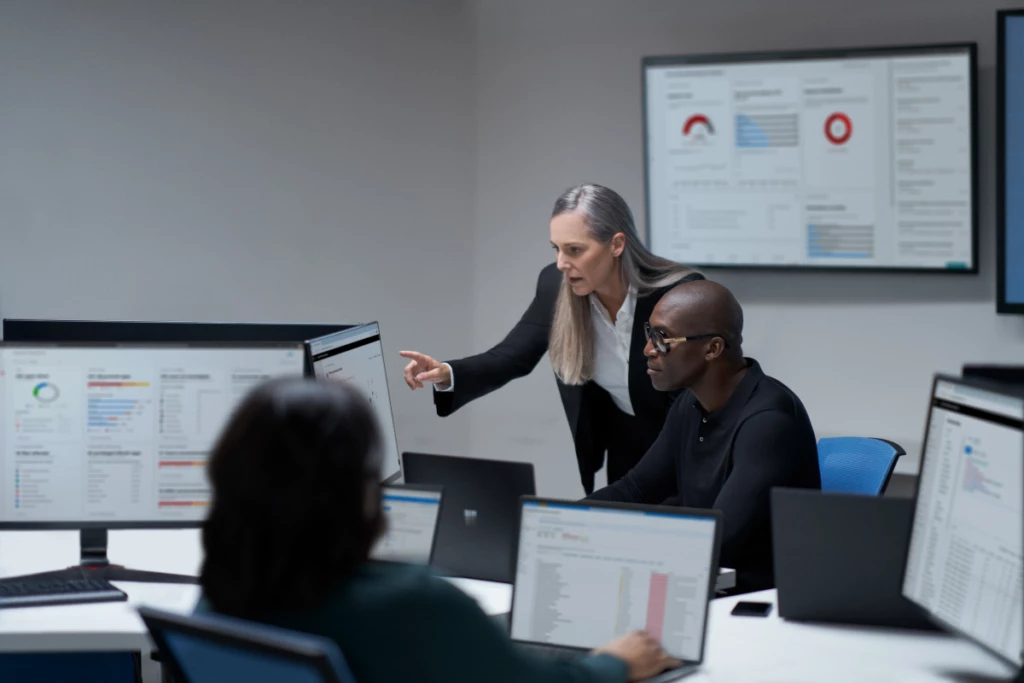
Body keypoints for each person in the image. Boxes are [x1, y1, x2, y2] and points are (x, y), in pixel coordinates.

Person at [197, 377, 680, 683]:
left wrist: (478, 632)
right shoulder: (412, 605)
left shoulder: (221, 593)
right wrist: (617, 662)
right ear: (354, 492)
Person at [400, 184, 703, 493]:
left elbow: (699, 399)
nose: (561, 263)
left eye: (574, 250)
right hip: (626, 440)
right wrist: (446, 373)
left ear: (616, 245)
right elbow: (511, 357)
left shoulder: (681, 296)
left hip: (693, 443)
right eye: (556, 249)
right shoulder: (557, 286)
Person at [588, 280, 820, 593]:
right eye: (649, 333)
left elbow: (719, 540)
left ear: (712, 348)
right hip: (706, 579)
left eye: (663, 337)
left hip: (754, 597)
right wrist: (559, 525)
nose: (648, 349)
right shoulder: (691, 403)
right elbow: (636, 489)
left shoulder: (769, 421)